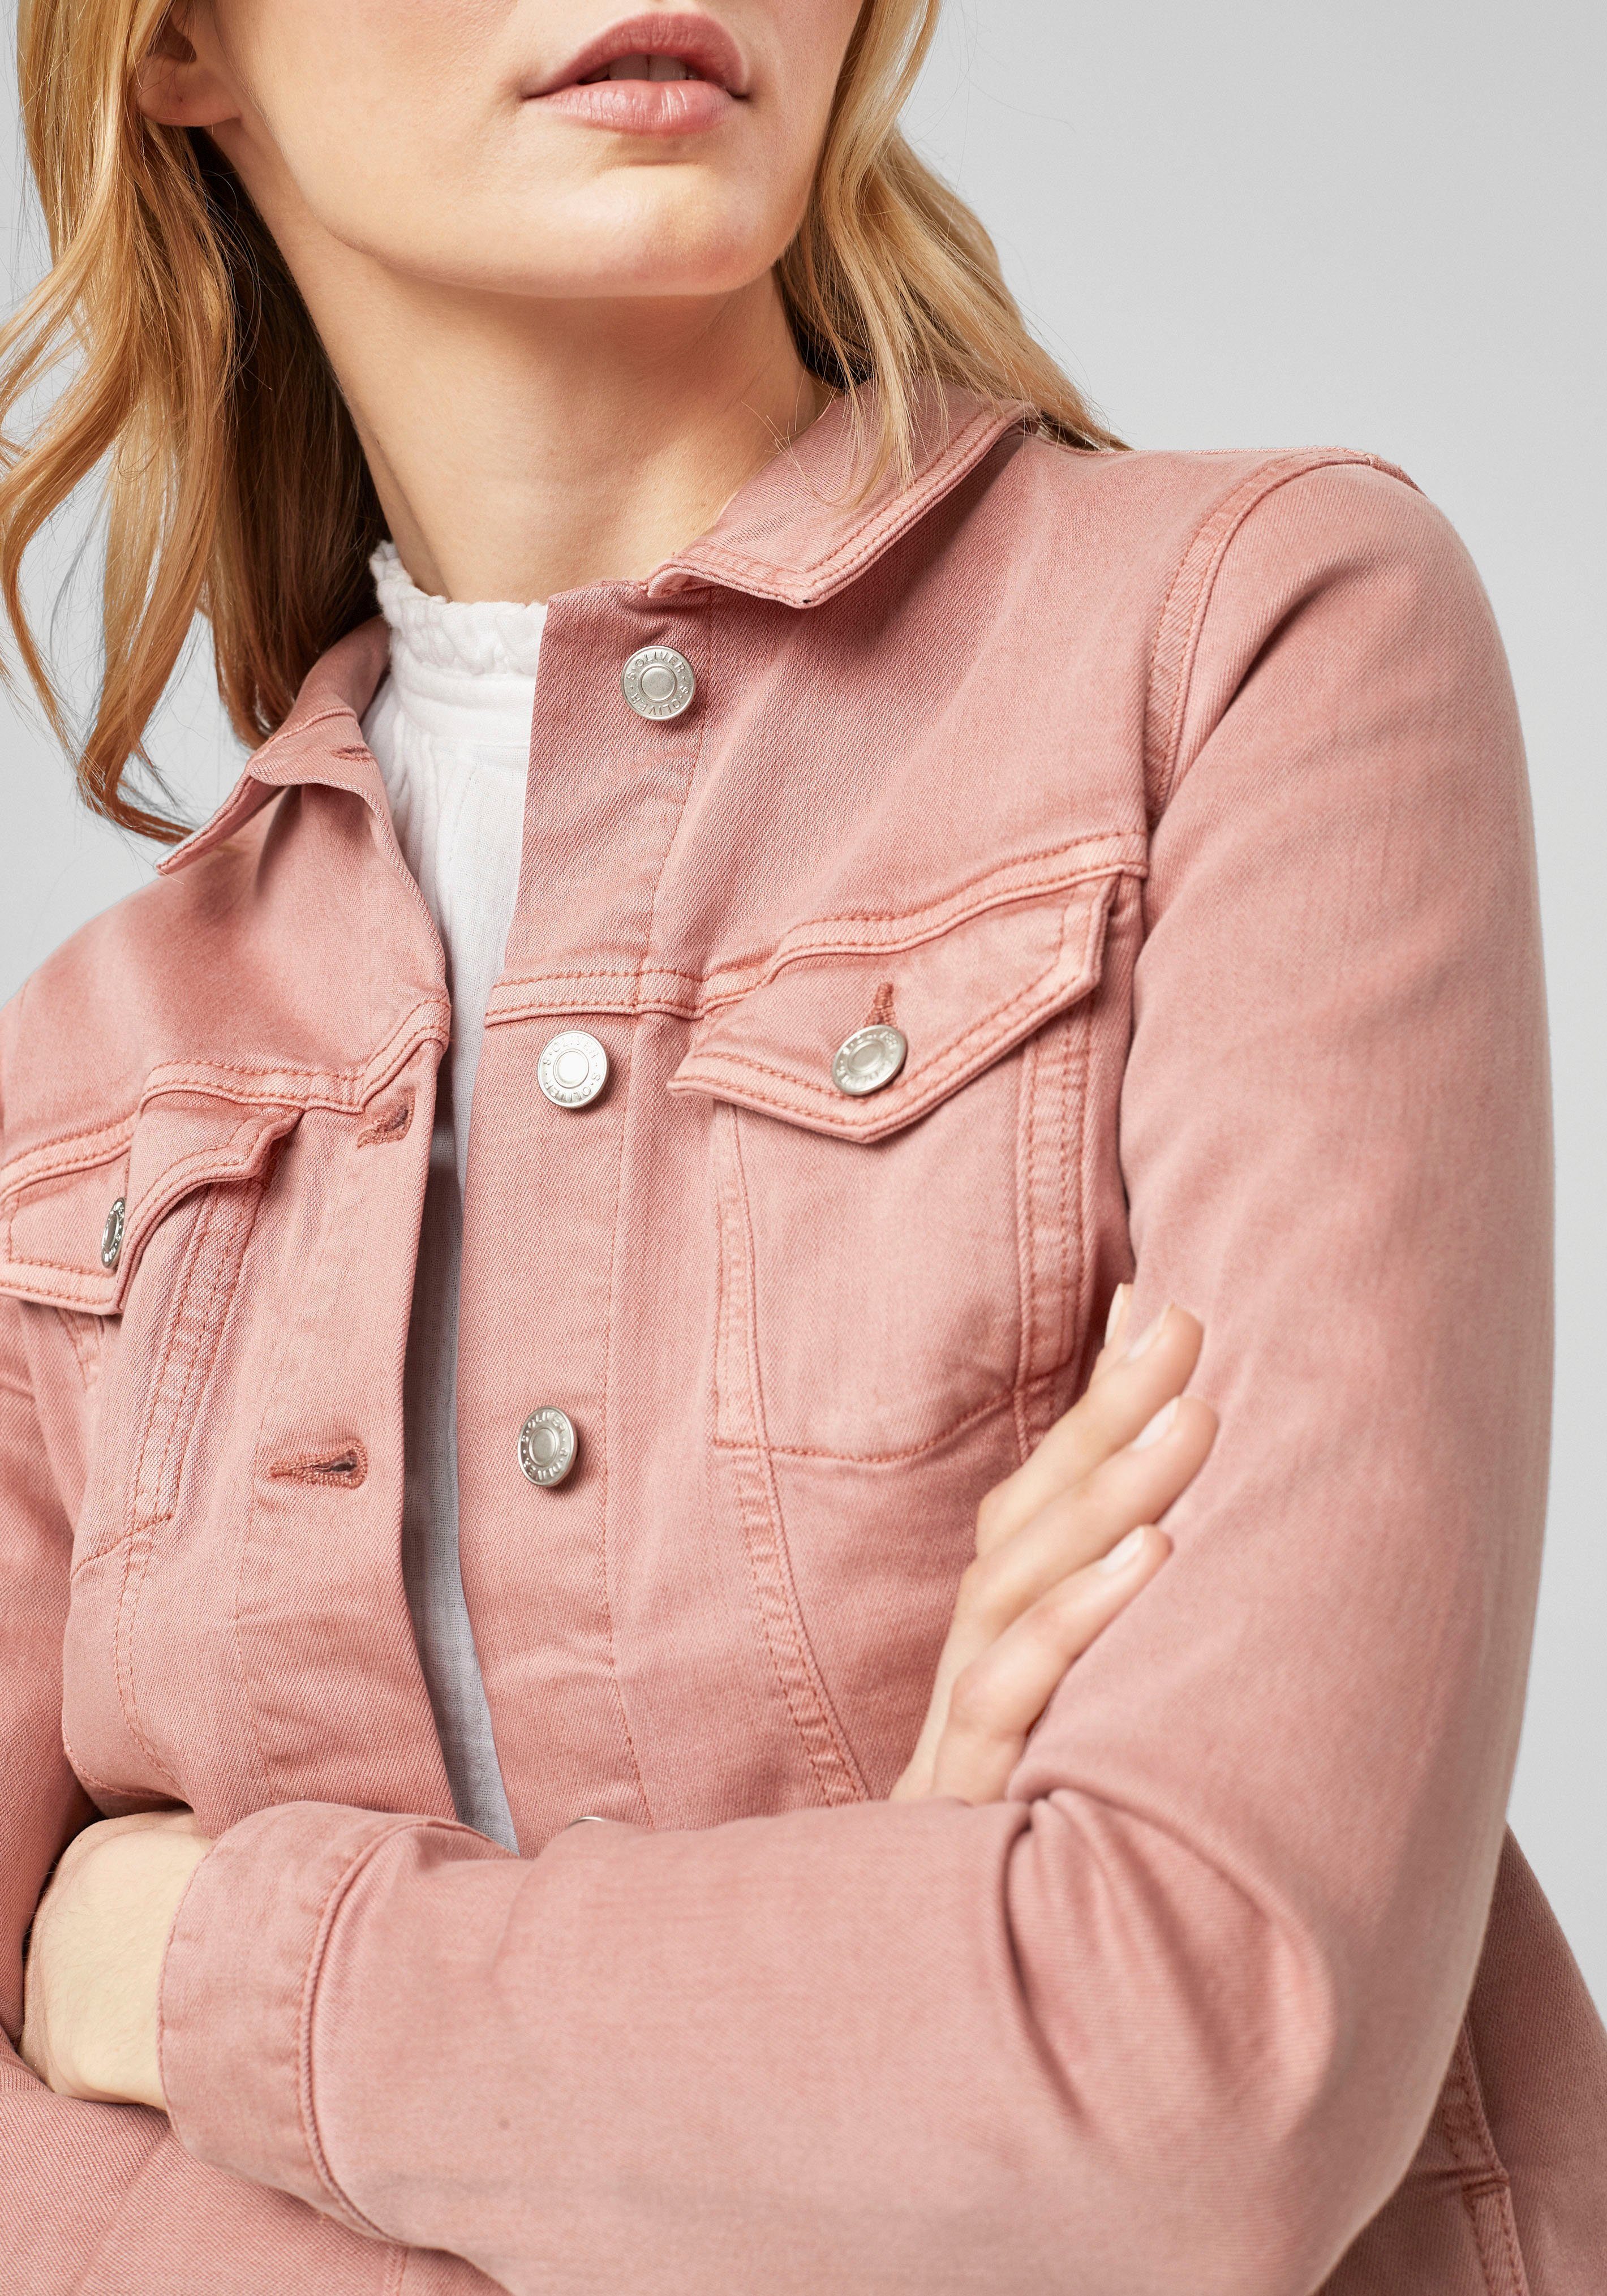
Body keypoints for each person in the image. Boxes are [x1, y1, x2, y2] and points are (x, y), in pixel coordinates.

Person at [1, 2, 1602, 2290]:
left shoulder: (1251, 651)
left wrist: (203, 1978)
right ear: (174, 44)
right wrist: (855, 2078)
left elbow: (1197, 2073)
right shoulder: (87, 1085)